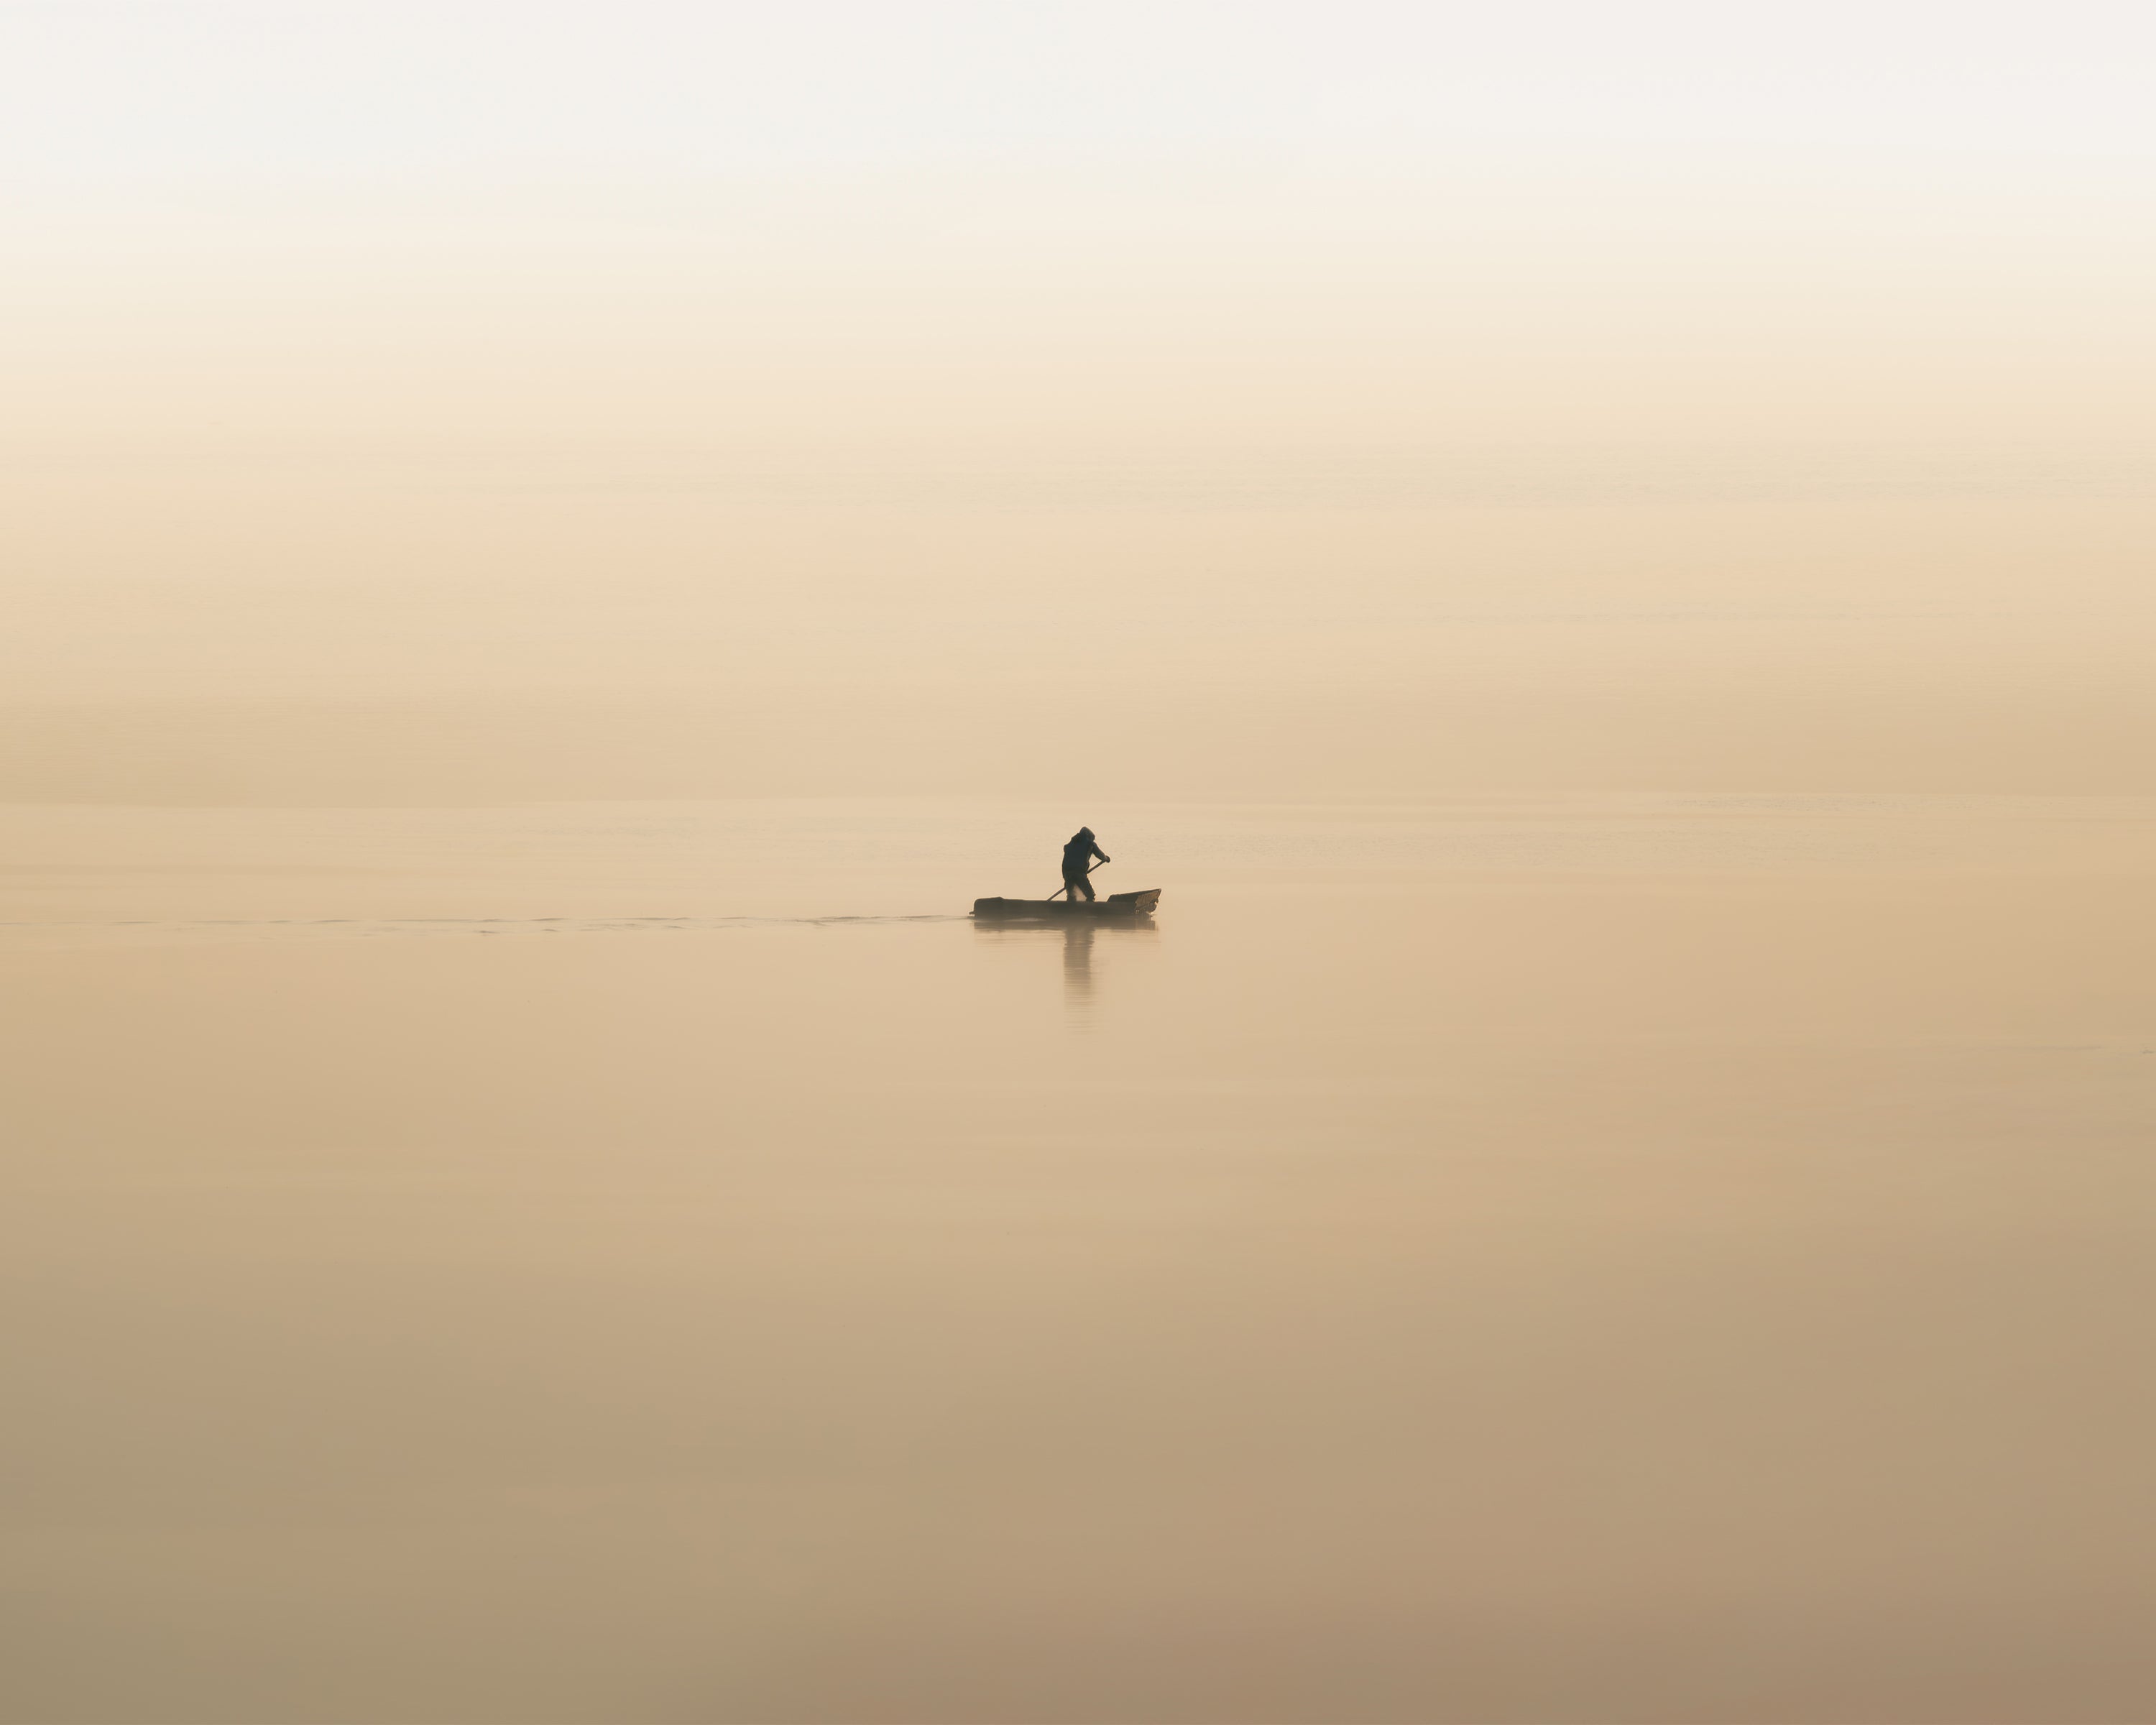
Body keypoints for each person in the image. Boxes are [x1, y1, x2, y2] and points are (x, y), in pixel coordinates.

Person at [1061, 827, 1109, 901]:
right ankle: (1089, 911)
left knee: (1071, 896)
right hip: (1078, 872)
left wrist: (1066, 879)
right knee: (1090, 895)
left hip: (1067, 873)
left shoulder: (1071, 844)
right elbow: (1100, 855)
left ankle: (1069, 909)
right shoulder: (1090, 844)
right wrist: (1106, 858)